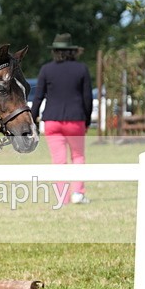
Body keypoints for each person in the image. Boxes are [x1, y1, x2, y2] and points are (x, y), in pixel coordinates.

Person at [31, 33, 93, 205]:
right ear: (72, 51)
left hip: (51, 120)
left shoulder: (46, 69)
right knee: (78, 157)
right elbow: (87, 98)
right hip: (75, 120)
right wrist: (86, 120)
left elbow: (38, 97)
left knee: (58, 160)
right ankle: (78, 194)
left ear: (55, 51)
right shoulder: (81, 69)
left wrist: (32, 118)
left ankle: (62, 197)